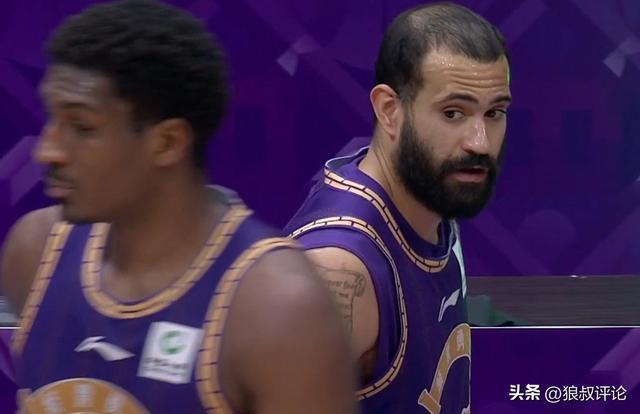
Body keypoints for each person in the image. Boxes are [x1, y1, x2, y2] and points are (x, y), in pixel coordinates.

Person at [0, 1, 357, 413]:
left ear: (167, 143)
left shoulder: (278, 305)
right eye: (52, 120)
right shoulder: (34, 250)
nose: (47, 151)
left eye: (82, 127)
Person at [284, 2, 512, 413]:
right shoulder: (339, 266)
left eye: (494, 112)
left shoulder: (429, 193)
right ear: (389, 111)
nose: (479, 142)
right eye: (453, 113)